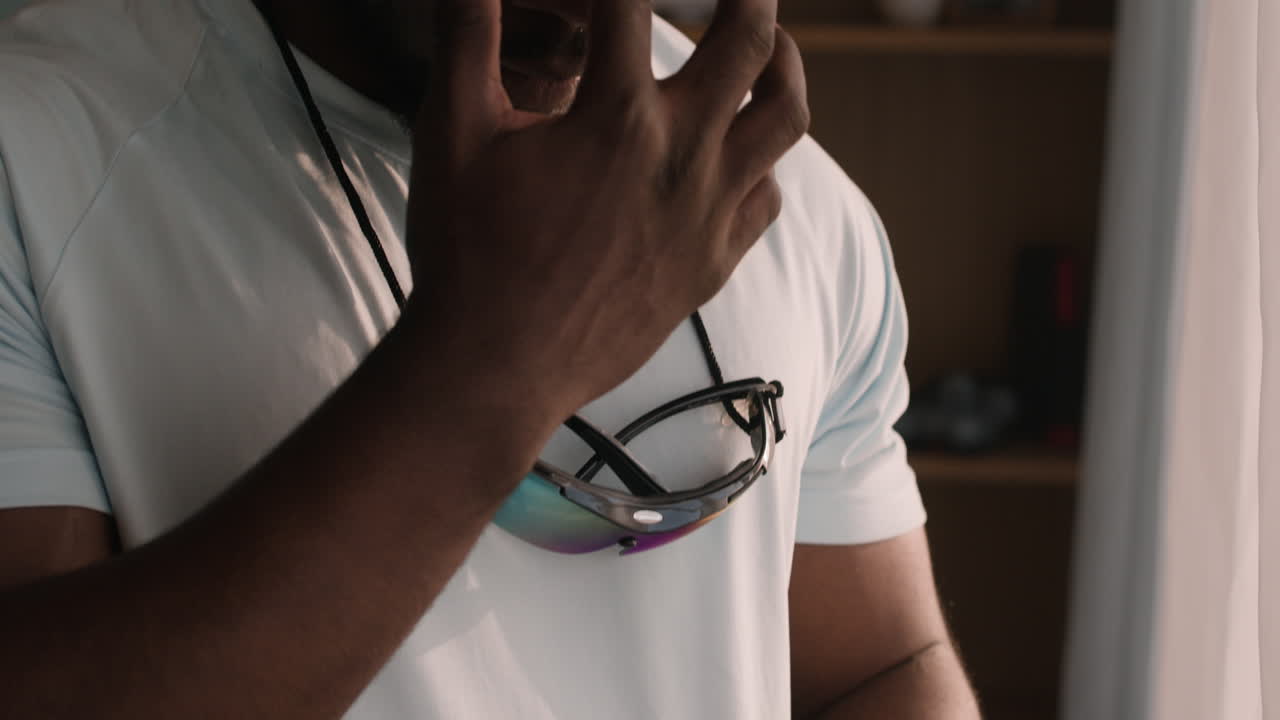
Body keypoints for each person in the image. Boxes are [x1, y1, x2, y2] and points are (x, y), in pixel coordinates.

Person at [0, 0, 981, 717]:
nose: (579, 22)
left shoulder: (788, 193)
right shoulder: (36, 152)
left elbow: (876, 665)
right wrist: (503, 349)